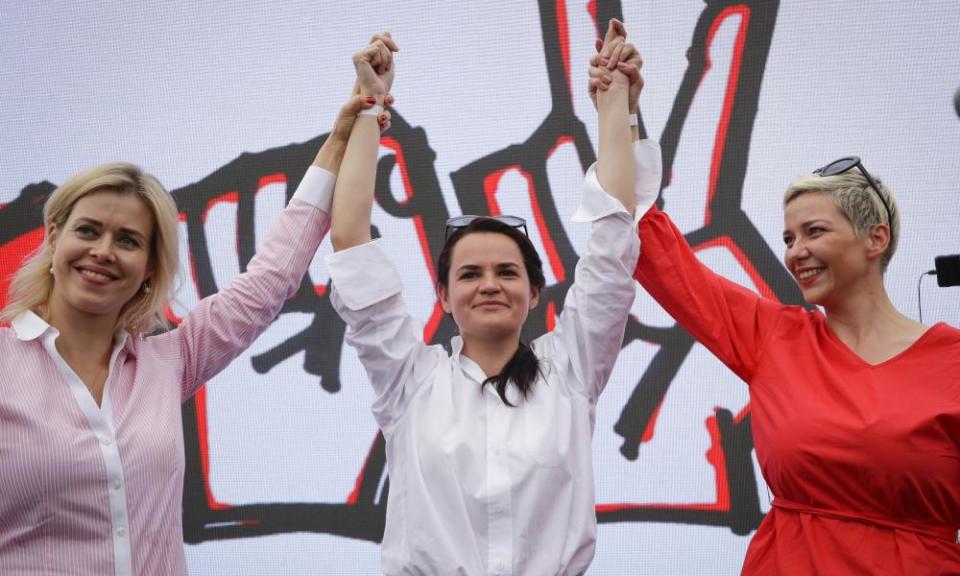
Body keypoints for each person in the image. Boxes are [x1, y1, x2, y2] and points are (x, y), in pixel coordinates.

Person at [591, 30, 960, 575]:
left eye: (813, 232)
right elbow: (652, 244)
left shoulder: (950, 361)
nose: (796, 252)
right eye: (788, 239)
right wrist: (618, 112)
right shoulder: (773, 337)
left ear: (874, 239)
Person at [0, 79, 392, 574]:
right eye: (87, 230)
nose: (102, 251)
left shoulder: (167, 362)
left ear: (149, 267)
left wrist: (340, 139)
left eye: (127, 240)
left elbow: (270, 278)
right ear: (53, 239)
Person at [325, 23, 658, 575]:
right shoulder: (410, 379)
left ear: (533, 293)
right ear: (444, 295)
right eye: (470, 274)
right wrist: (368, 109)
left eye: (507, 272)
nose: (488, 284)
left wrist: (615, 103)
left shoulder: (571, 367)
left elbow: (614, 237)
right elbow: (351, 244)